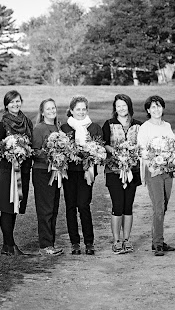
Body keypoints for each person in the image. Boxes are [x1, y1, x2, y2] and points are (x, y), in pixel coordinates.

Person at [0, 90, 34, 256]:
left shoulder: (27, 122)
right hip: (8, 172)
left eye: (18, 101)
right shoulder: (3, 125)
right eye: (12, 102)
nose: (15, 104)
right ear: (6, 105)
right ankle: (9, 245)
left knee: (15, 207)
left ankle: (7, 246)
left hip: (23, 171)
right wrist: (9, 153)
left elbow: (31, 144)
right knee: (7, 208)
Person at [61, 95, 102, 255]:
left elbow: (100, 149)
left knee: (84, 205)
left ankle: (89, 242)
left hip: (87, 172)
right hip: (70, 173)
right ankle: (75, 242)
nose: (81, 112)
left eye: (84, 109)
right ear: (71, 110)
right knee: (71, 206)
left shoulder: (94, 127)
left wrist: (92, 153)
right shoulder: (64, 128)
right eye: (78, 109)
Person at [102, 94, 143, 255]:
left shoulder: (138, 125)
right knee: (117, 205)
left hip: (132, 171)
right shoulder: (109, 124)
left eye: (124, 105)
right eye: (118, 106)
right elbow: (104, 143)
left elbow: (142, 145)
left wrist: (133, 152)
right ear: (115, 108)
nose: (121, 108)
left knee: (128, 205)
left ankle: (127, 239)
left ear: (129, 106)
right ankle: (116, 241)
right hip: (114, 170)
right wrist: (115, 151)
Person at [137, 95, 175, 257]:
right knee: (158, 206)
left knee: (164, 205)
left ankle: (157, 239)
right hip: (153, 170)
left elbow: (172, 146)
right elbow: (142, 150)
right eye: (153, 107)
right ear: (148, 110)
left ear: (163, 108)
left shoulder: (167, 126)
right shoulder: (145, 127)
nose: (156, 109)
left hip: (167, 169)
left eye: (159, 106)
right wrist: (153, 162)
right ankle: (158, 243)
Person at [31, 98, 64, 256]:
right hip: (42, 172)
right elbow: (34, 151)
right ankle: (45, 245)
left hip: (56, 172)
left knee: (53, 209)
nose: (52, 111)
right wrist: (50, 154)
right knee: (45, 210)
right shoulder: (39, 128)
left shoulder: (58, 127)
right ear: (42, 112)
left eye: (53, 108)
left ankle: (51, 243)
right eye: (48, 109)